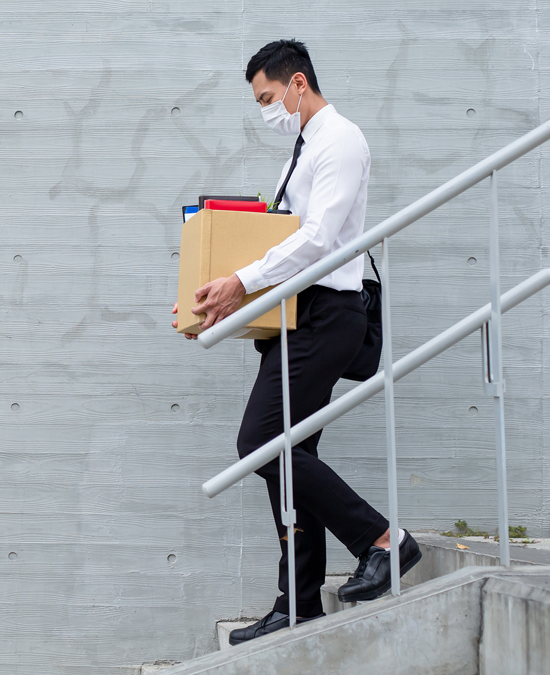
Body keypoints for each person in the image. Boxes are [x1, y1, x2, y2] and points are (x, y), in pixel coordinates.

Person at [171, 39, 421, 645]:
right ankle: (299, 603)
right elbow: (272, 235)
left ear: (297, 84)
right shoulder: (302, 149)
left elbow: (317, 239)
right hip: (298, 316)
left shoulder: (340, 140)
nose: (266, 110)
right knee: (290, 460)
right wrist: (210, 294)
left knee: (260, 442)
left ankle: (384, 540)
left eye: (267, 97)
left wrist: (240, 281)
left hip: (330, 314)